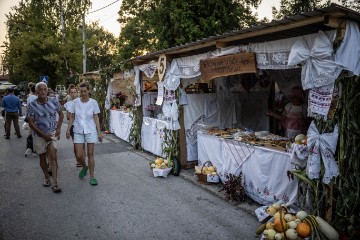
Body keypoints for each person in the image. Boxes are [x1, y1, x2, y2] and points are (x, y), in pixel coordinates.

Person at [27, 82, 64, 193]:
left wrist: (58, 128)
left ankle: (55, 182)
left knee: (52, 156)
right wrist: (43, 135)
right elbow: (31, 123)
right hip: (39, 136)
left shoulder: (54, 102)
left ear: (47, 90)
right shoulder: (32, 105)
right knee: (42, 158)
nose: (43, 91)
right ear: (37, 92)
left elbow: (61, 114)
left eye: (45, 89)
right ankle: (47, 178)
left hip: (52, 134)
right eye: (40, 90)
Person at [66, 82, 102, 186]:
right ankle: (84, 167)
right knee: (79, 155)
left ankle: (92, 176)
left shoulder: (93, 102)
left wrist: (99, 132)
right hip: (78, 130)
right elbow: (72, 116)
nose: (83, 93)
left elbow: (96, 117)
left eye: (85, 91)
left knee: (90, 154)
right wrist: (68, 129)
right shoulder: (75, 102)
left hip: (90, 130)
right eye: (81, 91)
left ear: (89, 91)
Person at [63, 84, 82, 167]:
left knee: (82, 144)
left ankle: (82, 159)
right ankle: (78, 160)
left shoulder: (81, 102)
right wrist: (71, 114)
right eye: (72, 92)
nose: (74, 94)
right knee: (75, 144)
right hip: (73, 126)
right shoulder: (69, 104)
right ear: (69, 94)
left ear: (77, 93)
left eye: (75, 92)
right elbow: (67, 117)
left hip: (81, 125)